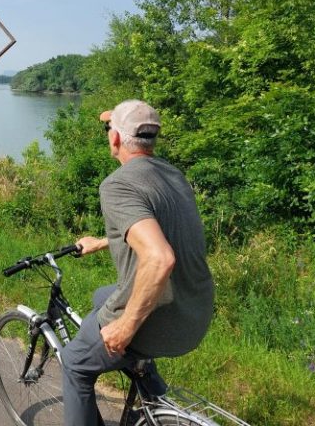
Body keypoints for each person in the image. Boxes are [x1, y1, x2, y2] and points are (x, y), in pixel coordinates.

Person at [61, 99, 214, 426]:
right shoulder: (172, 174)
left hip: (160, 322)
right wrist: (102, 241)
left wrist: (126, 327)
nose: (107, 135)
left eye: (107, 128)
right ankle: (151, 389)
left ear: (115, 138)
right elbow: (158, 231)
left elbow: (159, 258)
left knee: (74, 363)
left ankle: (137, 359)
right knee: (102, 296)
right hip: (195, 312)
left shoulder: (118, 184)